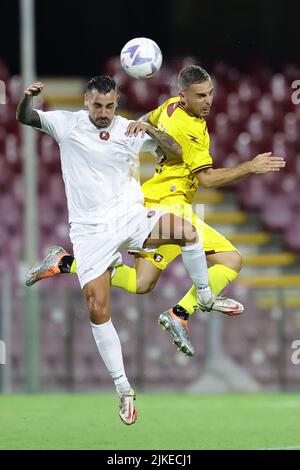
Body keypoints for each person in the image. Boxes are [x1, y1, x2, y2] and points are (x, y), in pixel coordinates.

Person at [17, 75, 242, 425]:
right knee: (98, 309)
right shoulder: (67, 124)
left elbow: (175, 152)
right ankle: (123, 388)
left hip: (132, 218)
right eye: (97, 105)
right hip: (91, 232)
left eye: (109, 106)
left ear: (116, 102)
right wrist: (26, 99)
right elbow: (26, 118)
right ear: (86, 102)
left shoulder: (128, 129)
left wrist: (151, 131)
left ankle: (204, 297)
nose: (104, 112)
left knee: (185, 232)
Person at [25, 66, 286, 358]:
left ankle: (65, 262)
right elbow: (208, 179)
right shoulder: (189, 129)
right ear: (183, 97)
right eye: (200, 96)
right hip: (171, 205)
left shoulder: (171, 107)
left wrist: (143, 127)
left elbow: (148, 118)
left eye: (210, 93)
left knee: (141, 283)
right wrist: (250, 166)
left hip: (153, 200)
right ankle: (181, 312)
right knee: (232, 259)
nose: (208, 100)